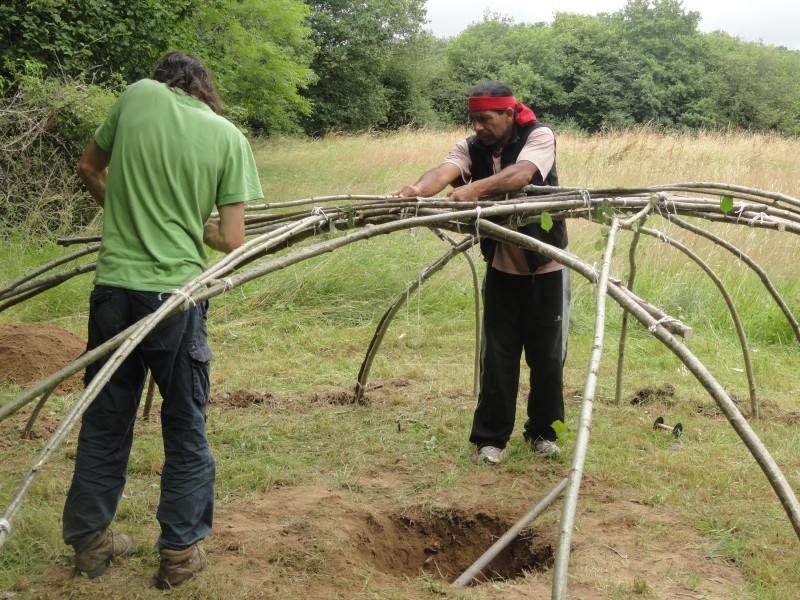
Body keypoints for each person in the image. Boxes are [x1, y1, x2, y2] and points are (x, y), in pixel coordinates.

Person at [63, 51, 263, 587]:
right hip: (174, 301)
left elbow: (88, 167)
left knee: (105, 417)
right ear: (205, 88)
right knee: (184, 422)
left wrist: (129, 217)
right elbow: (233, 240)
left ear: (163, 80)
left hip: (113, 292)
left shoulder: (136, 95)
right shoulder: (228, 137)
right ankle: (178, 553)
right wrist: (186, 227)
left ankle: (89, 543)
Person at [391, 80, 569, 465]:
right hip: (503, 268)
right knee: (498, 357)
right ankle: (491, 439)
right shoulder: (472, 147)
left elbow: (521, 174)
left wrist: (475, 190)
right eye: (473, 120)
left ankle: (543, 432)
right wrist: (418, 189)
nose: (478, 128)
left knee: (548, 358)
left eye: (485, 119)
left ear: (508, 114)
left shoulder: (538, 135)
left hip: (545, 266)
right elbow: (443, 171)